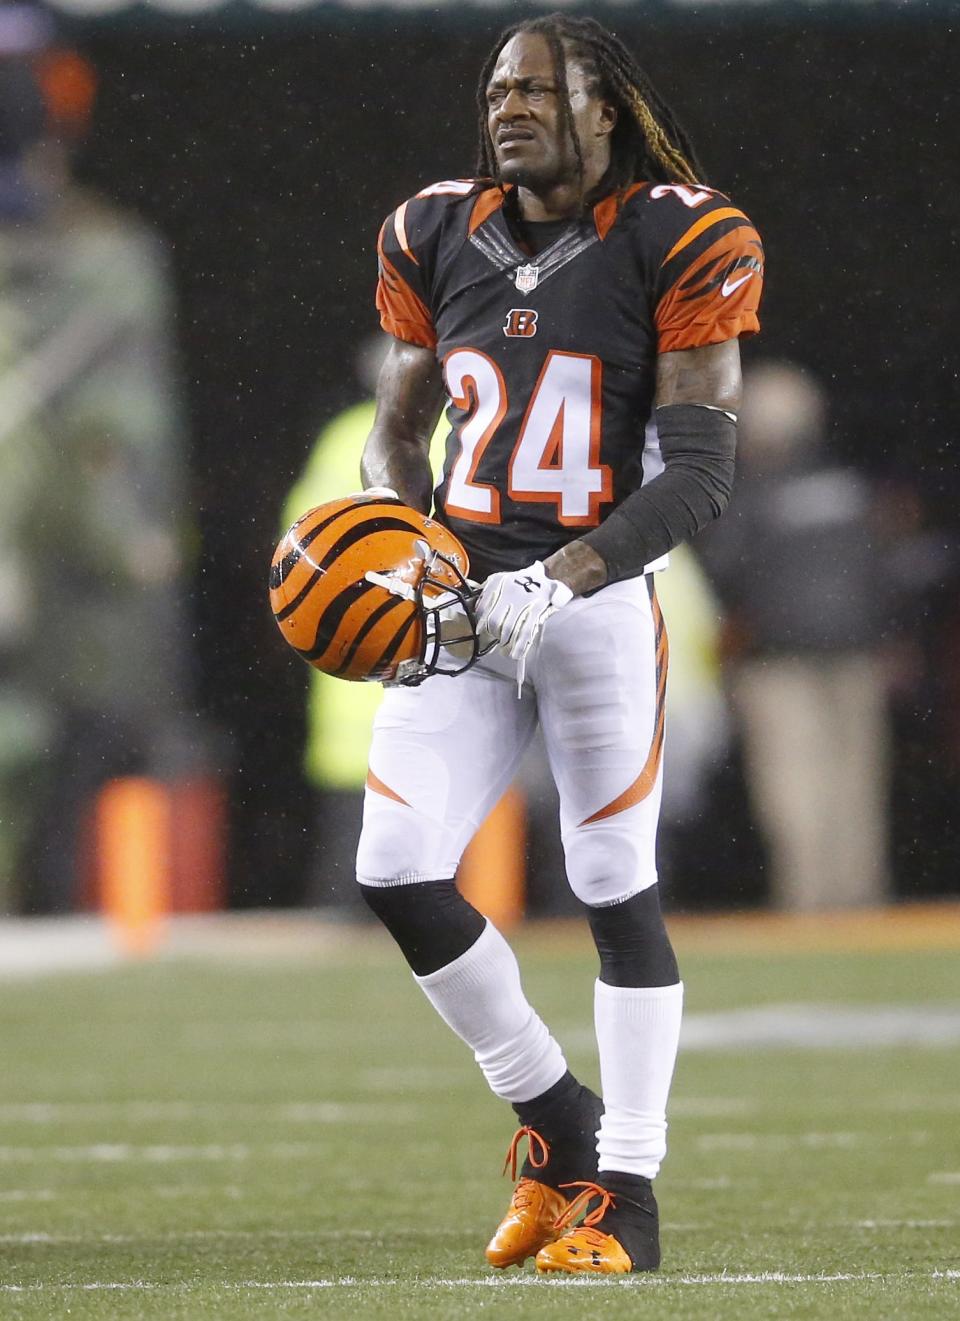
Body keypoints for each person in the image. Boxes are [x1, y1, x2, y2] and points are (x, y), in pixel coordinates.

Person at [353, 13, 763, 1274]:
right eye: (494, 89)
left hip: (590, 605)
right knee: (396, 866)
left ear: (605, 107)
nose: (506, 107)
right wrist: (412, 542)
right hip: (467, 606)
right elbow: (397, 431)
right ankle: (557, 1119)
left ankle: (625, 1198)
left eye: (536, 87)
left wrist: (567, 574)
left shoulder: (677, 234)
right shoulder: (431, 230)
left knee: (612, 890)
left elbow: (699, 476)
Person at [697, 361, 892, 909]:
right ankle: (860, 903)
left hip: (778, 663)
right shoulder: (849, 486)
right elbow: (884, 571)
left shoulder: (745, 497)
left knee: (795, 787)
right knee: (855, 786)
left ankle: (811, 907)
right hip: (855, 655)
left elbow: (724, 574)